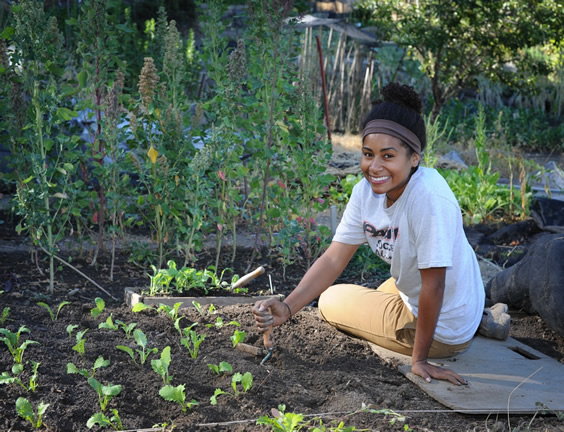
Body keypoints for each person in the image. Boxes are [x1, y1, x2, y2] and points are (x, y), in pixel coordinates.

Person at [253, 82, 488, 386]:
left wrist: (419, 360)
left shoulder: (429, 197)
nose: (374, 166)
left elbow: (435, 284)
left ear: (414, 158)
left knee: (332, 299)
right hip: (451, 293)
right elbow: (334, 258)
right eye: (367, 153)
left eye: (388, 156)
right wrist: (287, 307)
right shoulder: (366, 192)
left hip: (447, 325)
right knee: (376, 290)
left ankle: (436, 337)